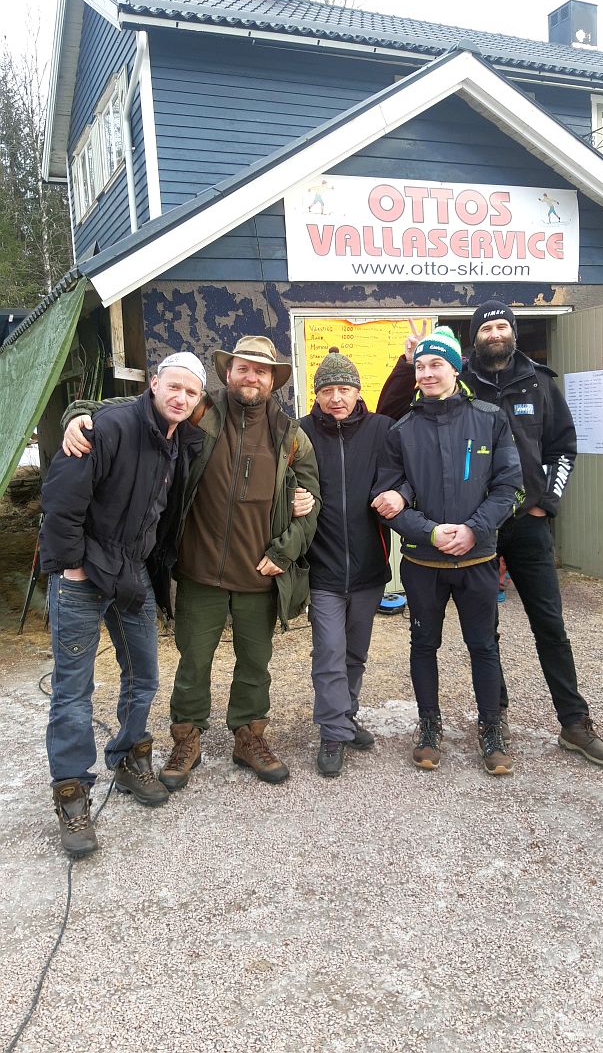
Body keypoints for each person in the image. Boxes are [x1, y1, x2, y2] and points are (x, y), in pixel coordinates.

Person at [63, 336, 320, 789]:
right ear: (228, 372)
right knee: (193, 663)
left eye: (261, 371)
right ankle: (187, 738)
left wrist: (284, 552)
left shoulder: (291, 435)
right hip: (200, 572)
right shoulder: (200, 411)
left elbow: (311, 501)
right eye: (243, 368)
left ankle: (249, 736)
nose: (251, 377)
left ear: (273, 380)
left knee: (255, 664)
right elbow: (135, 407)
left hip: (260, 573)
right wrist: (78, 414)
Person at [377, 302, 603, 767]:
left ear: (513, 332)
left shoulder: (539, 382)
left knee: (549, 623)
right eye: (487, 327)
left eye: (503, 325)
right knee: (485, 633)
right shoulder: (456, 380)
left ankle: (573, 721)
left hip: (522, 524)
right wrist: (409, 363)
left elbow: (562, 447)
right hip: (460, 531)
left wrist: (546, 503)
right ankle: (493, 716)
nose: (496, 333)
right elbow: (395, 419)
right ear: (473, 340)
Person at [40, 352, 207, 857]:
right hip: (83, 575)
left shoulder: (181, 441)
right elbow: (60, 498)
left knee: (144, 674)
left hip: (131, 574)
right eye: (173, 386)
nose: (180, 397)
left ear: (199, 400)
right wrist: (71, 564)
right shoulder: (109, 427)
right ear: (154, 383)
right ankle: (72, 793)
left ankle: (129, 756)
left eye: (191, 392)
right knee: (74, 689)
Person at [372, 328, 523, 775]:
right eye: (420, 366)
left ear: (456, 369)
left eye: (436, 364)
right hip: (424, 563)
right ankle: (428, 726)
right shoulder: (402, 430)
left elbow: (509, 486)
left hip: (477, 559)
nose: (427, 373)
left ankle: (491, 728)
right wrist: (431, 532)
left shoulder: (490, 419)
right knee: (424, 643)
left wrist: (474, 530)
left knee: (483, 645)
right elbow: (387, 500)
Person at [298, 348, 394, 777]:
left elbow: (403, 475)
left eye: (344, 389)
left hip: (369, 568)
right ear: (316, 395)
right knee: (330, 652)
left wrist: (400, 496)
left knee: (355, 652)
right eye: (327, 390)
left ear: (358, 392)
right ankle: (333, 733)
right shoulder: (300, 433)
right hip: (323, 568)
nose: (336, 398)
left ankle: (345, 715)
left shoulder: (381, 430)